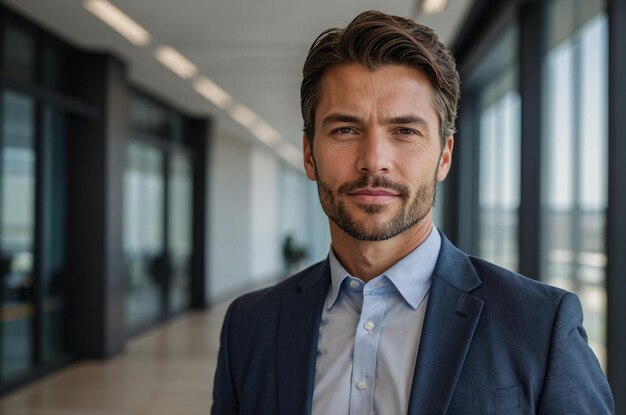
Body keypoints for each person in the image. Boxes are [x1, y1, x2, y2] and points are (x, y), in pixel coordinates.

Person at [212, 10, 614, 414]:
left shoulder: (540, 325)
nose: (374, 160)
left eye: (405, 131)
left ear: (443, 157)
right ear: (309, 154)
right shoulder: (250, 326)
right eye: (345, 130)